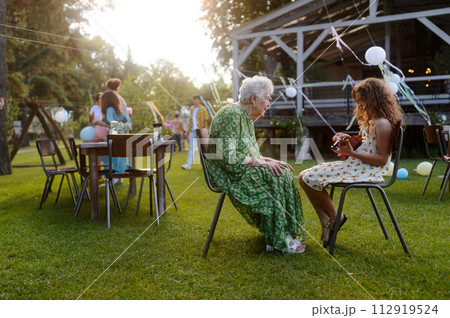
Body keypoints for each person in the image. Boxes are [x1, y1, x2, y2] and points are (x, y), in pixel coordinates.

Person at [205, 75, 305, 253]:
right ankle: (278, 237)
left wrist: (268, 160)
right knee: (275, 177)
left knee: (280, 173)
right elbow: (228, 157)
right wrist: (262, 163)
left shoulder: (245, 117)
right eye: (267, 98)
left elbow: (250, 154)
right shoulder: (232, 114)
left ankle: (276, 235)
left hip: (238, 168)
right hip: (227, 172)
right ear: (253, 98)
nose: (269, 103)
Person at [299, 77, 404, 248]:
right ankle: (327, 221)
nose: (360, 105)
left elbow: (382, 159)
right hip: (357, 166)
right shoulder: (371, 121)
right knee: (303, 178)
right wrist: (347, 138)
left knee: (309, 178)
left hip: (368, 170)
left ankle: (336, 217)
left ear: (375, 98)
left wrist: (352, 153)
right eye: (358, 101)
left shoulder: (383, 124)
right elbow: (366, 143)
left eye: (363, 101)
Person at [101, 90, 131, 184]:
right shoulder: (120, 109)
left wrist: (104, 123)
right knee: (121, 156)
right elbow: (128, 121)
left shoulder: (109, 109)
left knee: (109, 156)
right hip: (122, 137)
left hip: (113, 137)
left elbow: (110, 121)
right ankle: (120, 177)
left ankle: (111, 178)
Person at [181, 95, 209, 170]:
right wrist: (188, 132)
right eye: (194, 100)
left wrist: (205, 130)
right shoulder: (192, 108)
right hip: (192, 131)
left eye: (197, 99)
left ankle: (207, 165)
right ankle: (188, 165)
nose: (195, 101)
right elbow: (190, 121)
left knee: (203, 149)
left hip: (200, 131)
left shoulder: (203, 109)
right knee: (191, 148)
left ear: (199, 100)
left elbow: (205, 120)